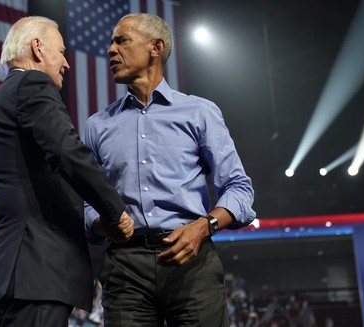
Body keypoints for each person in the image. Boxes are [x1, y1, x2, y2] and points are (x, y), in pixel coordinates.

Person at [83, 13, 256, 326]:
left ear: (156, 47)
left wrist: (204, 226)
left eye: (121, 40)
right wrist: (100, 224)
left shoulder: (200, 112)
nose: (110, 49)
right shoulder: (97, 126)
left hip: (193, 259)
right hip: (125, 268)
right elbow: (84, 203)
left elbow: (239, 189)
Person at [0, 16, 134, 327]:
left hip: (17, 272)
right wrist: (116, 211)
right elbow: (68, 152)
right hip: (35, 269)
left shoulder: (4, 96)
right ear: (37, 47)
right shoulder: (32, 85)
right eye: (61, 52)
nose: (66, 63)